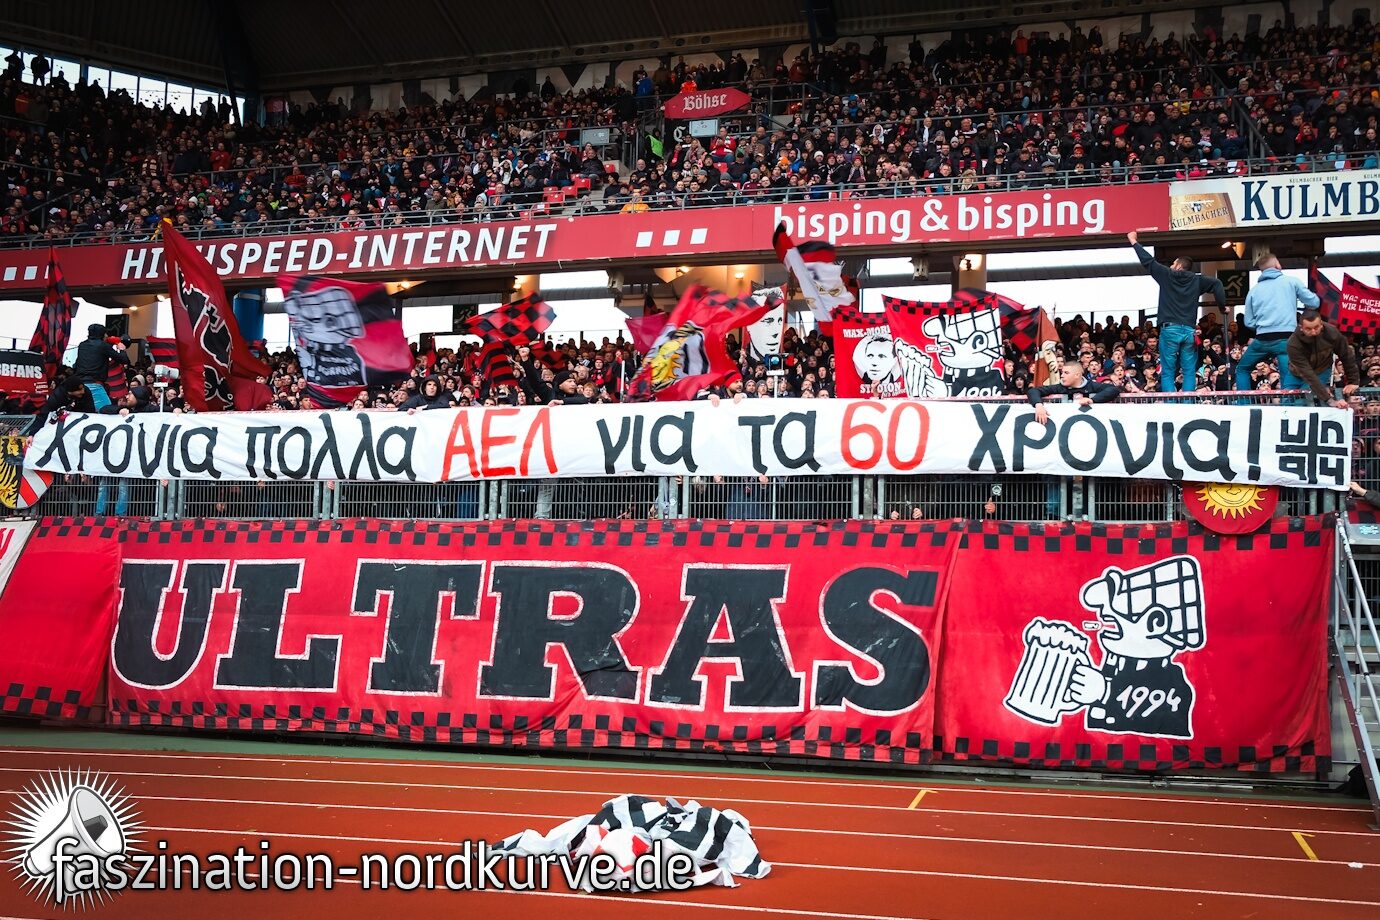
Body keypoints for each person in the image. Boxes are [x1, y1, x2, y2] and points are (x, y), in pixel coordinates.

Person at [1127, 231, 1225, 392]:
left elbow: (1148, 261)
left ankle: (1171, 403)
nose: (1171, 266)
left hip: (1170, 329)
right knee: (1188, 371)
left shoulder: (1167, 275)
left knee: (1168, 371)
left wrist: (1133, 241)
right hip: (1188, 331)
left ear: (1179, 265)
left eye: (1173, 263)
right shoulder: (1197, 280)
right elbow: (1217, 284)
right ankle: (1187, 403)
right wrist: (1222, 307)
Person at [1235, 254, 1319, 392]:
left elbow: (1248, 322)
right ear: (1278, 265)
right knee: (1288, 375)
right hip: (1287, 339)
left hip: (1262, 339)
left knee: (1242, 369)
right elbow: (1314, 303)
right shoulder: (1292, 282)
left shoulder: (1253, 291)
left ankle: (1244, 404)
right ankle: (1287, 408)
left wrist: (1264, 324)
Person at [1287, 309, 1360, 408]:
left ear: (1321, 324)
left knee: (1303, 401)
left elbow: (1346, 355)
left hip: (1322, 369)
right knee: (1286, 401)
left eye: (1316, 327)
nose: (1313, 332)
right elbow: (1308, 374)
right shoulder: (1293, 344)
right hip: (1296, 372)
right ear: (1301, 328)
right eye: (1308, 329)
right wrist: (1330, 401)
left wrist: (1353, 381)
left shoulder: (1332, 333)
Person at [1027, 359, 1121, 425]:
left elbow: (1113, 389)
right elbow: (1033, 391)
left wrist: (1092, 400)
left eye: (1066, 373)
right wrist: (1038, 405)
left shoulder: (1091, 385)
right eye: (1062, 372)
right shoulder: (1059, 387)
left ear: (1077, 375)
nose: (1062, 376)